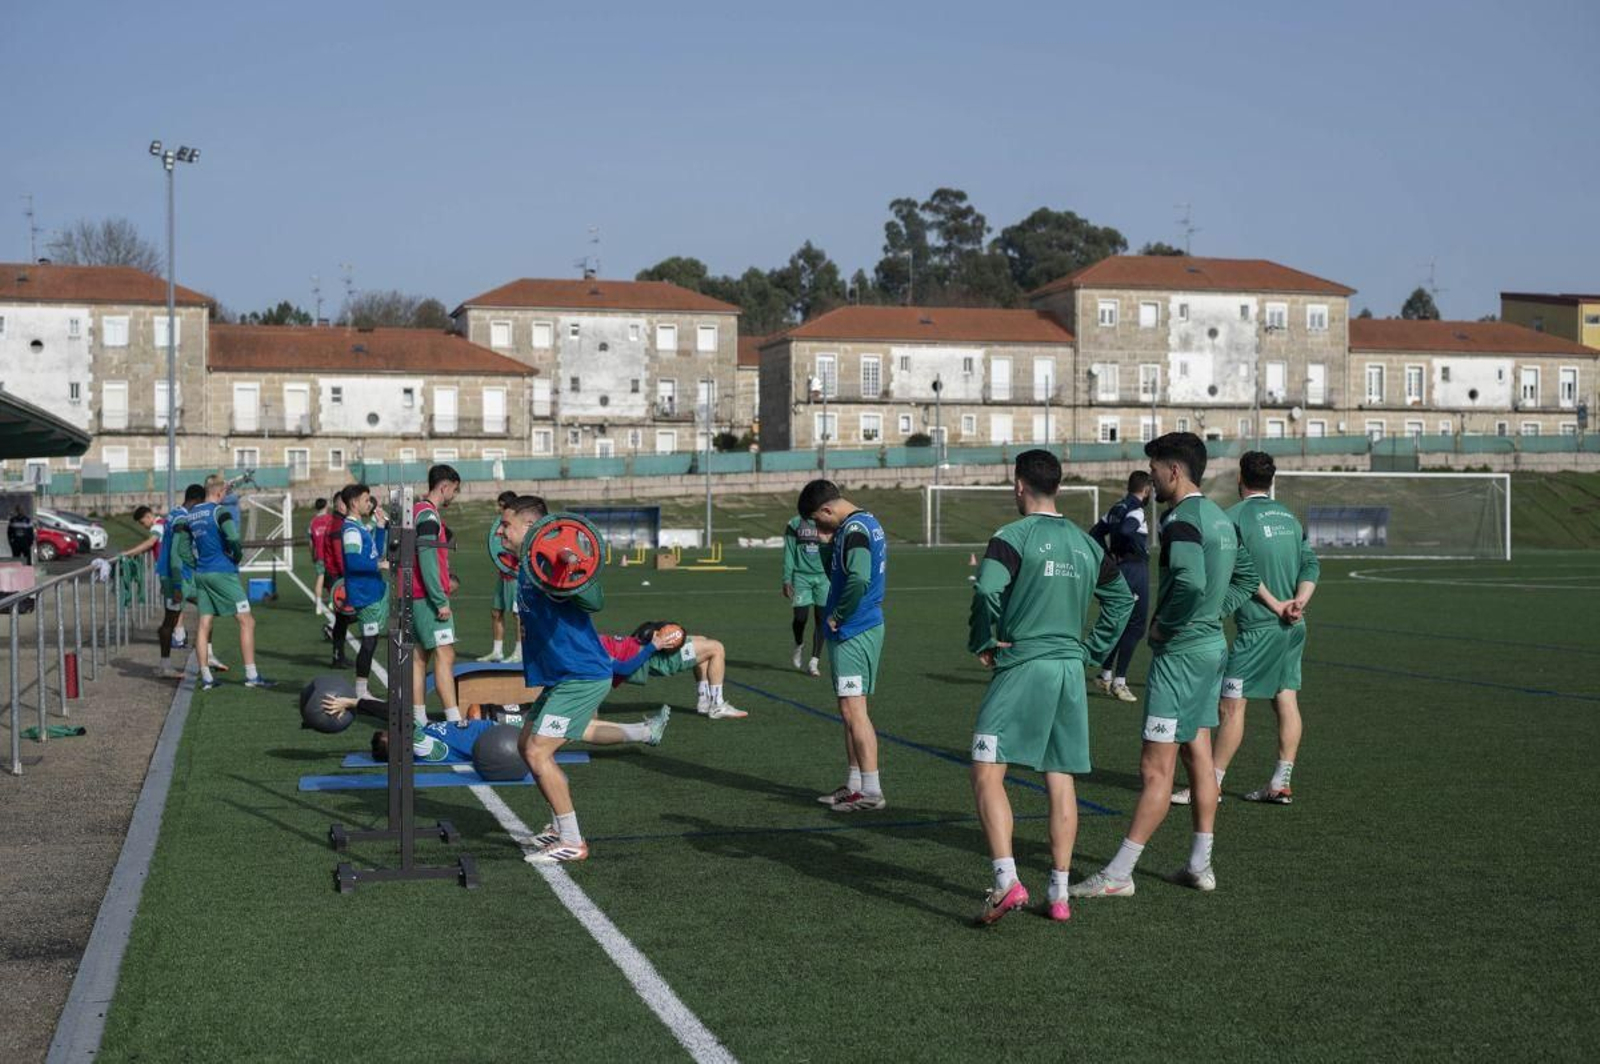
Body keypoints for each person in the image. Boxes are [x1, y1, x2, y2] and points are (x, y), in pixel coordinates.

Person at [1070, 433, 1281, 899]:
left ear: (1174, 471)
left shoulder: (1181, 519)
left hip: (1181, 655)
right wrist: (1212, 612)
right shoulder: (1220, 519)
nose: (1152, 478)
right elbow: (1246, 577)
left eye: (1154, 468)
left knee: (1155, 770)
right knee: (1198, 756)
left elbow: (1187, 579)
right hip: (1210, 651)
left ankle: (1120, 873)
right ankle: (1199, 865)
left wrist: (1167, 623)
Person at [969, 450, 1134, 924]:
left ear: (1019, 485)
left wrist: (984, 638)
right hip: (1068, 673)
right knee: (1060, 777)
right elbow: (1122, 600)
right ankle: (1058, 894)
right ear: (1058, 486)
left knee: (986, 768)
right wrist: (1089, 651)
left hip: (1024, 665)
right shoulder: (1087, 545)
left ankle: (1006, 882)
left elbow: (985, 591)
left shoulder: (1012, 536)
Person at [1178, 451, 1319, 806]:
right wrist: (1298, 602)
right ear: (1271, 481)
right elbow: (1311, 565)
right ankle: (1280, 781)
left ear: (1241, 479)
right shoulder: (1289, 516)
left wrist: (1275, 605)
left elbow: (1242, 572)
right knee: (1285, 698)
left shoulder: (1233, 518)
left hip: (1259, 628)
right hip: (1294, 625)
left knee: (1230, 707)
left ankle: (1210, 784)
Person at [500, 494, 627, 864]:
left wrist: (570, 564)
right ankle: (559, 826)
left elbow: (595, 600)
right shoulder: (528, 566)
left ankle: (572, 840)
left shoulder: (555, 562)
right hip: (560, 676)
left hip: (582, 675)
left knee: (539, 751)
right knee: (527, 744)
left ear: (530, 526)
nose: (501, 531)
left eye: (507, 524)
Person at [798, 479, 889, 813]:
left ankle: (871, 791)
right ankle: (854, 785)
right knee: (848, 710)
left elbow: (860, 578)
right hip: (858, 627)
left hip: (855, 628)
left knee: (855, 711)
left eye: (816, 520)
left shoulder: (854, 530)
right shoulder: (861, 523)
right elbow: (840, 572)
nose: (816, 526)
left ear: (827, 509)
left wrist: (837, 614)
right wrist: (825, 544)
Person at [175, 475, 275, 690]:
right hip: (223, 573)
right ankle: (251, 675)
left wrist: (196, 563)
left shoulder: (190, 515)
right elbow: (233, 538)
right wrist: (236, 556)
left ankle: (207, 678)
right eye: (225, 494)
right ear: (219, 493)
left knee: (204, 623)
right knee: (247, 621)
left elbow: (182, 548)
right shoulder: (220, 512)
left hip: (201, 574)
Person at [1089, 471, 1153, 703]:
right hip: (1134, 571)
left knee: (1122, 624)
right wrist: (1134, 549)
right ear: (1146, 489)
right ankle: (1120, 682)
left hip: (1120, 569)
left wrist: (1108, 555)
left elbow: (1095, 532)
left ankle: (1105, 675)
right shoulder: (1136, 510)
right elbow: (1127, 530)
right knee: (1135, 628)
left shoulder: (1116, 508)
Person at [601, 622, 747, 717]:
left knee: (702, 640)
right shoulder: (590, 651)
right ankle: (717, 705)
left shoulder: (586, 640)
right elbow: (623, 669)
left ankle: (704, 701)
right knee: (716, 647)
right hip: (649, 658)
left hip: (639, 646)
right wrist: (652, 646)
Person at [410, 465, 462, 725]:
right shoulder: (428, 516)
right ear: (445, 486)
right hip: (428, 599)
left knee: (420, 657)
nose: (455, 495)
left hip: (415, 596)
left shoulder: (417, 511)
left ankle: (419, 719)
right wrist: (440, 600)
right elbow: (427, 558)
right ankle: (454, 721)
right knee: (445, 655)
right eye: (455, 490)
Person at [339, 484, 390, 705]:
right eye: (366, 499)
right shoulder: (351, 529)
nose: (369, 503)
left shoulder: (359, 526)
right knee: (369, 642)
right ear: (354, 503)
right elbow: (353, 562)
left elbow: (374, 553)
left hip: (373, 589)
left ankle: (363, 688)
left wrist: (380, 527)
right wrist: (379, 566)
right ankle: (360, 691)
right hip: (364, 593)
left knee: (373, 639)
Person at [782, 512, 829, 676]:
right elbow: (789, 551)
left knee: (821, 619)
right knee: (800, 618)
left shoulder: (828, 521)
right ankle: (799, 643)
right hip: (801, 576)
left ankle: (814, 662)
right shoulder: (795, 523)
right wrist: (787, 578)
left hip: (824, 577)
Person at [479, 490, 522, 664]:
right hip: (503, 575)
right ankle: (497, 652)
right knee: (496, 612)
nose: (498, 508)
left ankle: (519, 653)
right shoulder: (500, 523)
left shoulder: (518, 524)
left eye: (501, 504)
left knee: (518, 615)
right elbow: (496, 544)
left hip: (516, 575)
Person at [322, 489, 352, 667]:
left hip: (336, 576)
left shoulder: (339, 522)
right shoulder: (337, 525)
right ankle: (337, 656)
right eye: (346, 502)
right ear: (340, 505)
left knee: (343, 619)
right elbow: (339, 555)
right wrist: (347, 576)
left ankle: (338, 656)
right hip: (337, 577)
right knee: (346, 616)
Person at [307, 497, 337, 614]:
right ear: (326, 506)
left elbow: (311, 542)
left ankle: (318, 606)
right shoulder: (331, 519)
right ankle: (333, 604)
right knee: (334, 580)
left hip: (319, 555)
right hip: (331, 555)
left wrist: (312, 555)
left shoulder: (312, 522)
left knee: (320, 578)